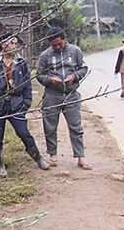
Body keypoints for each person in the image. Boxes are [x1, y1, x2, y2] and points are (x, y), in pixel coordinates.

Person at [0, 34, 48, 177]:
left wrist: (26, 104)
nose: (14, 46)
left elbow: (27, 85)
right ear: (3, 44)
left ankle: (37, 157)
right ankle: (0, 164)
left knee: (23, 132)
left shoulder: (21, 63)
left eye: (16, 43)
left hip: (16, 104)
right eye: (12, 43)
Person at [36, 26, 91, 169]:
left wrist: (74, 76)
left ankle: (81, 157)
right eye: (54, 45)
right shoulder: (45, 55)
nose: (57, 47)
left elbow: (83, 68)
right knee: (50, 127)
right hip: (52, 95)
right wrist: (49, 80)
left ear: (65, 39)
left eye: (59, 44)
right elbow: (39, 75)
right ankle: (52, 155)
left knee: (76, 127)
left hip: (71, 95)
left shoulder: (75, 51)